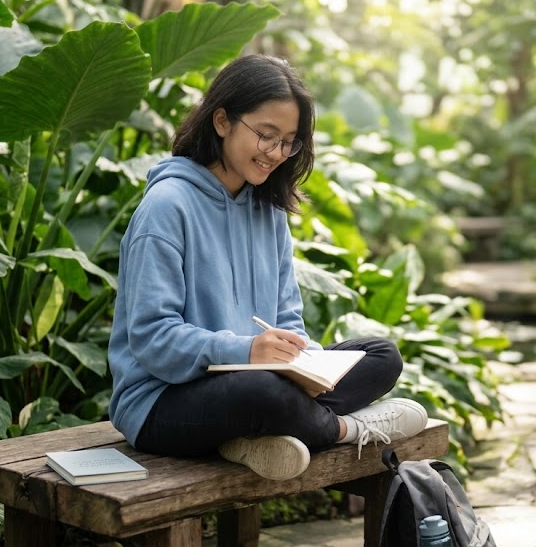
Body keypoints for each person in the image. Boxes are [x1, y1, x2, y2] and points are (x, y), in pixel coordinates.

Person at [107, 54, 428, 481]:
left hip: (256, 381)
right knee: (261, 392)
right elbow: (152, 339)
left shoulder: (268, 210)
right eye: (266, 135)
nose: (276, 153)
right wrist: (244, 351)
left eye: (289, 141)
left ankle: (248, 438)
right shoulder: (166, 207)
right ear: (222, 121)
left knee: (380, 355)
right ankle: (347, 430)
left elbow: (287, 319)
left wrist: (306, 363)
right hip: (162, 403)